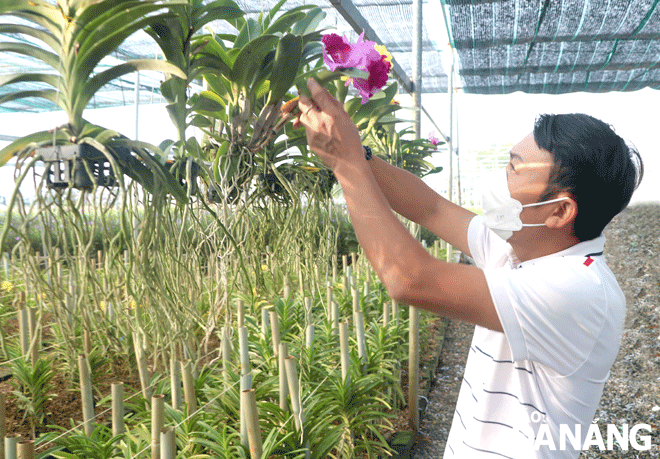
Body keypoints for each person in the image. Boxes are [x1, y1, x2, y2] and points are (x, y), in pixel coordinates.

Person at [291, 78, 644, 459]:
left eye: (514, 169)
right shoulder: (521, 249)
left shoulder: (578, 289)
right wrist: (355, 151)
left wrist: (345, 164)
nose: (501, 179)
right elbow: (431, 208)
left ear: (559, 210)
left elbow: (410, 279)